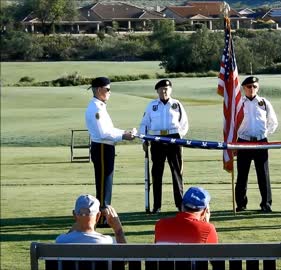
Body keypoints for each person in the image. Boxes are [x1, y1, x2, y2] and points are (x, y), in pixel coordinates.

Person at [85, 77, 135, 226]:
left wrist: (124, 132)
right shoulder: (96, 108)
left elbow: (110, 129)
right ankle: (101, 217)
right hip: (101, 147)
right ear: (99, 89)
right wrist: (124, 136)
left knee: (107, 182)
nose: (109, 92)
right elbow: (103, 133)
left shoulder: (100, 106)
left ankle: (104, 214)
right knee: (103, 183)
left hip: (106, 146)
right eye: (107, 89)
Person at [139, 79, 189, 214]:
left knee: (177, 172)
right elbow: (144, 124)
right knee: (156, 173)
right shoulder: (152, 105)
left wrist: (180, 137)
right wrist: (144, 140)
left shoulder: (176, 104)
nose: (164, 91)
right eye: (161, 89)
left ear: (171, 90)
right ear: (157, 91)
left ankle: (180, 205)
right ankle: (157, 206)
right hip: (157, 140)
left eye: (166, 89)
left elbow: (184, 123)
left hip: (174, 139)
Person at [235, 76, 278, 213]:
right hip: (243, 142)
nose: (252, 89)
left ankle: (266, 203)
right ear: (243, 88)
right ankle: (241, 204)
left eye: (254, 86)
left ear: (258, 87)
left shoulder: (264, 103)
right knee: (242, 174)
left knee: (263, 174)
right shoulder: (238, 104)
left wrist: (264, 134)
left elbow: (273, 122)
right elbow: (231, 124)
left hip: (260, 142)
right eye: (249, 87)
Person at [56, 194, 126, 243]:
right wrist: (118, 230)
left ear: (74, 214)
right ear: (98, 216)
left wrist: (79, 222)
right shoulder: (108, 241)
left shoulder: (61, 240)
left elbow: (69, 236)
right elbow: (124, 261)